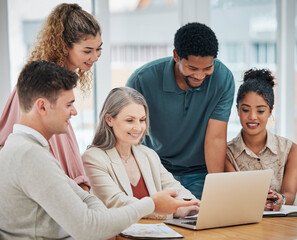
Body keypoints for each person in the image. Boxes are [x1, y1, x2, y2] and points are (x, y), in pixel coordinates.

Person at [0, 60, 198, 239]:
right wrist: (152, 204)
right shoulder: (31, 156)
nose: (74, 111)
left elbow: (86, 199)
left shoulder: (24, 147)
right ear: (42, 107)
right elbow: (90, 228)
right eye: (69, 104)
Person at [0, 3, 103, 191]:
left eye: (99, 49)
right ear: (65, 47)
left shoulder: (62, 85)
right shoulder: (39, 87)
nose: (95, 57)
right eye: (88, 51)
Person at [126, 22, 235, 199]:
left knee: (207, 222)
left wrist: (218, 190)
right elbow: (129, 135)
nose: (200, 76)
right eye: (192, 68)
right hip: (155, 172)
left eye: (207, 68)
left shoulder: (223, 79)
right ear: (176, 55)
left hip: (200, 174)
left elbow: (215, 138)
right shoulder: (142, 80)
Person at [82, 87, 199, 219]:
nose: (138, 127)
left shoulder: (148, 154)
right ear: (109, 119)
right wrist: (173, 211)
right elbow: (116, 202)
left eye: (142, 120)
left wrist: (193, 203)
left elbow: (174, 188)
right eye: (129, 120)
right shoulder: (92, 158)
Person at [225, 68, 297, 211]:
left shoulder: (290, 149)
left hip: (282, 226)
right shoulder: (226, 153)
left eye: (260, 110)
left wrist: (280, 199)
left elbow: (289, 194)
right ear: (237, 110)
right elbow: (234, 196)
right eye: (245, 110)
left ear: (270, 111)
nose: (252, 117)